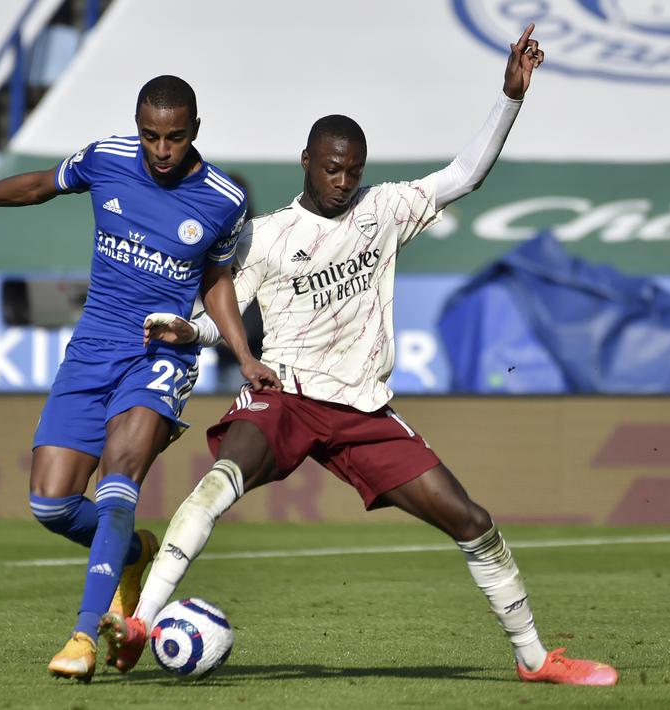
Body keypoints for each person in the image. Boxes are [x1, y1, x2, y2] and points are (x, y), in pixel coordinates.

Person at [100, 26, 618, 686]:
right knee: (218, 483)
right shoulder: (265, 238)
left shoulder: (385, 209)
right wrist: (188, 331)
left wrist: (509, 97)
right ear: (306, 162)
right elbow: (224, 315)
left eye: (353, 171)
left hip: (361, 409)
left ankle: (535, 659)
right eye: (331, 169)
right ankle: (139, 622)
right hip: (286, 396)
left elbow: (465, 175)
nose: (343, 182)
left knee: (471, 520)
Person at [0, 76, 281, 682]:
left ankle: (84, 635)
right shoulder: (107, 159)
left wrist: (242, 353)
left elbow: (217, 280)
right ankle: (133, 553)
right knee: (50, 503)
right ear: (138, 127)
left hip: (159, 355)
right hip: (91, 350)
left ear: (195, 130)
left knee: (118, 480)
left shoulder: (223, 199)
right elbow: (40, 185)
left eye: (175, 137)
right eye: (151, 136)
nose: (162, 149)